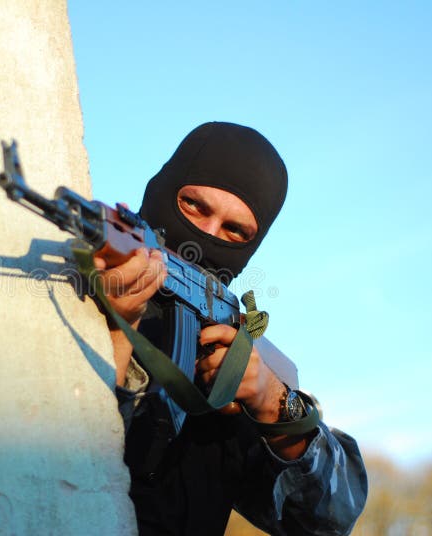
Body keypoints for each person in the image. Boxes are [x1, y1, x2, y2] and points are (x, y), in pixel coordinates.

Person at [91, 122, 368, 535]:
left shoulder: (235, 358)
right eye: (194, 206)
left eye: (235, 230)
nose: (205, 235)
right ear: (161, 193)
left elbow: (330, 519)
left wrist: (271, 402)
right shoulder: (83, 283)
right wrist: (111, 332)